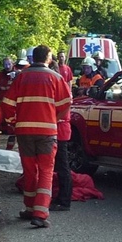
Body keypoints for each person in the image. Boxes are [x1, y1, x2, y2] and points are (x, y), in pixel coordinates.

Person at [0, 45, 71, 228]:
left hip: (24, 132)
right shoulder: (55, 77)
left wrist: (12, 121)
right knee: (46, 170)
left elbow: (6, 103)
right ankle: (40, 213)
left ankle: (30, 208)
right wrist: (54, 118)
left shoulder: (21, 76)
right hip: (47, 132)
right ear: (48, 58)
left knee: (30, 170)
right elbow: (66, 103)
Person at [49, 60, 72, 211]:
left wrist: (54, 119)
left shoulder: (58, 83)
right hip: (58, 128)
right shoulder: (58, 83)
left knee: (62, 167)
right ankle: (61, 197)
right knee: (59, 166)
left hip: (60, 129)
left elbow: (66, 104)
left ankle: (64, 200)